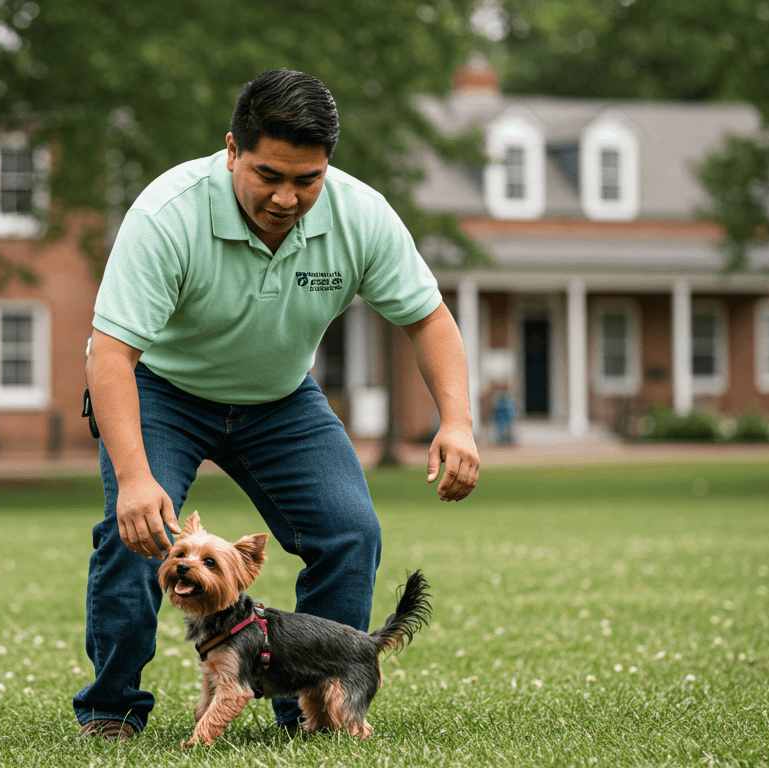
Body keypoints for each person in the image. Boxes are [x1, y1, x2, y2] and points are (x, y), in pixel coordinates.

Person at [75, 68, 479, 741]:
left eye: (307, 179)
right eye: (269, 175)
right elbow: (111, 352)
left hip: (280, 399)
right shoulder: (167, 213)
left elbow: (429, 319)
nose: (288, 197)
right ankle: (112, 710)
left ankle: (306, 710)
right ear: (232, 149)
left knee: (351, 532)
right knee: (137, 535)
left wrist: (458, 421)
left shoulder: (359, 214)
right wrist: (137, 478)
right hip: (165, 391)